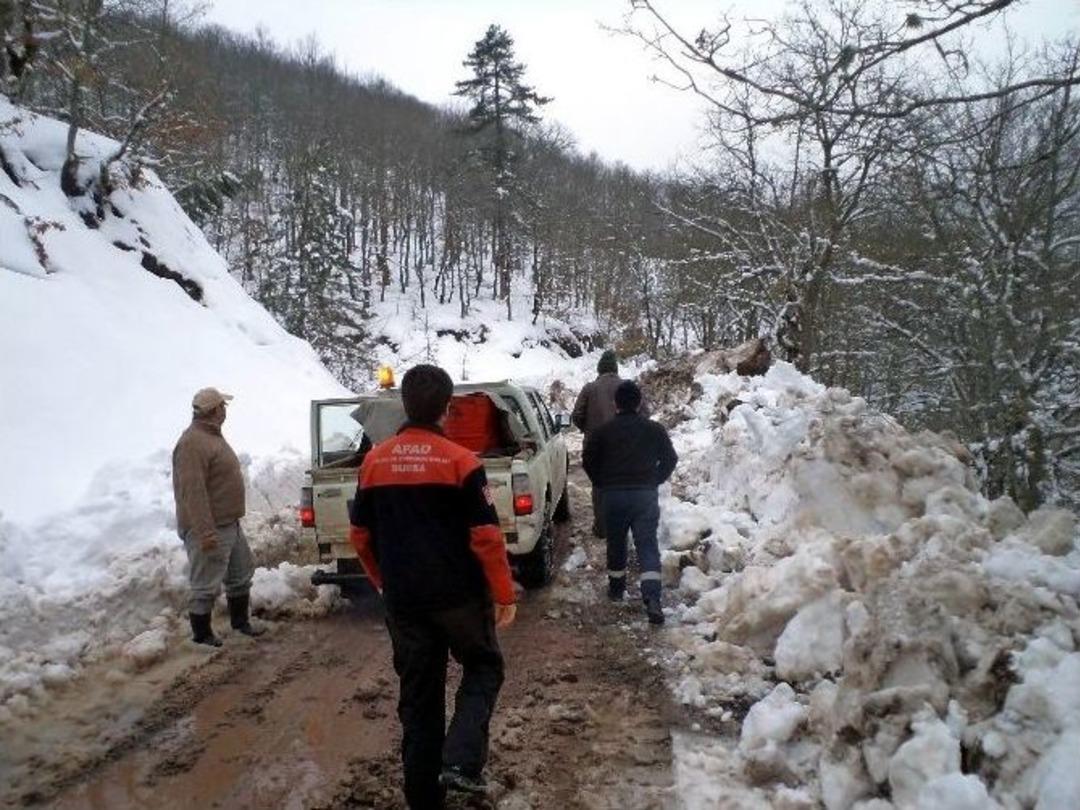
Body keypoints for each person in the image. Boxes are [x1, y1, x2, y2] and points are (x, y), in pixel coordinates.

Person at [348, 364, 517, 809]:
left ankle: (423, 798)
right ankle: (461, 761)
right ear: (447, 408)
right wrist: (503, 593)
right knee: (483, 667)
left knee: (419, 698)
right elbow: (486, 536)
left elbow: (360, 535)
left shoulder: (374, 463)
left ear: (404, 405)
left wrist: (383, 581)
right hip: (459, 599)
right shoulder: (462, 462)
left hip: (405, 601)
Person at [172, 387, 263, 647]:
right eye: (222, 406)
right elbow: (193, 492)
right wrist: (205, 532)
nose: (225, 411)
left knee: (240, 575)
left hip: (229, 523)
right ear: (213, 410)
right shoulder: (192, 443)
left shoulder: (211, 436)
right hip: (210, 527)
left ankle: (240, 623)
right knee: (205, 585)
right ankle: (201, 636)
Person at [582, 380, 677, 625]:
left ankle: (616, 589)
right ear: (639, 403)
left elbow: (588, 460)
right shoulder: (654, 429)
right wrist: (655, 480)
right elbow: (670, 458)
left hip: (613, 496)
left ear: (616, 403)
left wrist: (601, 482)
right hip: (644, 496)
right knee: (647, 545)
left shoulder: (603, 431)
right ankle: (652, 598)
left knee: (616, 543)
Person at [572, 349, 647, 538]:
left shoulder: (589, 389)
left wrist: (587, 428)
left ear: (599, 370)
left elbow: (577, 415)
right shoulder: (628, 387)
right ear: (615, 369)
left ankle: (602, 528)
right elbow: (644, 413)